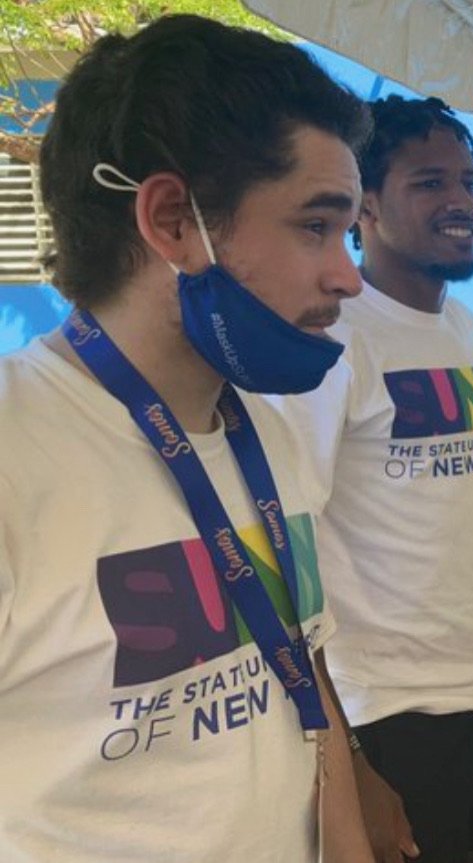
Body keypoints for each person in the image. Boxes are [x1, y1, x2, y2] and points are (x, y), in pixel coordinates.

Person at [0, 15, 376, 862]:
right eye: (316, 226)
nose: (348, 275)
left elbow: (302, 676)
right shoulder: (15, 456)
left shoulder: (268, 432)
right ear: (172, 221)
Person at [277, 94, 473, 863]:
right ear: (364, 205)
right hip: (385, 713)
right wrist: (348, 762)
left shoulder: (462, 326)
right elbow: (288, 543)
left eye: (469, 181)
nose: (461, 202)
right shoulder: (332, 338)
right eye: (430, 182)